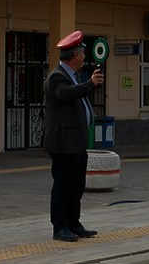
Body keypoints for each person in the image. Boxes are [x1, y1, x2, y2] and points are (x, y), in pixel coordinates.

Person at [43, 30, 104, 242]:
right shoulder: (57, 77)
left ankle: (73, 223)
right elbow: (64, 94)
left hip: (76, 142)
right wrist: (89, 85)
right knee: (63, 185)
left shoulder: (72, 76)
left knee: (77, 185)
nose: (85, 57)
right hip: (63, 143)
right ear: (76, 55)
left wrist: (86, 85)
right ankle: (60, 227)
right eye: (83, 53)